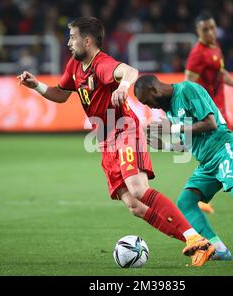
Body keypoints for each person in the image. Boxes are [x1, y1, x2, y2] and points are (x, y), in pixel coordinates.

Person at [17, 17, 214, 266]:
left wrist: (124, 86)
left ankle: (194, 238)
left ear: (87, 41)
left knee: (139, 190)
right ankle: (198, 242)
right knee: (134, 205)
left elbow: (129, 71)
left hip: (124, 131)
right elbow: (60, 94)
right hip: (106, 142)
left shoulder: (102, 64)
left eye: (72, 37)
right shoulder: (75, 66)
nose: (68, 43)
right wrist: (37, 86)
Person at [134, 75, 233, 261]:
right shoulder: (169, 109)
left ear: (154, 90)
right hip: (206, 163)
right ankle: (219, 249)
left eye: (147, 101)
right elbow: (189, 141)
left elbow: (210, 124)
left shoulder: (188, 90)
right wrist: (165, 146)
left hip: (223, 148)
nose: (149, 106)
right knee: (186, 202)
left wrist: (174, 129)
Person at [185, 12, 233, 214]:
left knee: (217, 155)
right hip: (208, 115)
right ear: (197, 32)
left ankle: (199, 196)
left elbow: (220, 73)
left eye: (212, 28)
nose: (211, 32)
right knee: (223, 151)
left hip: (219, 112)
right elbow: (188, 83)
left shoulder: (215, 47)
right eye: (205, 29)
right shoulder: (197, 54)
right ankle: (231, 187)